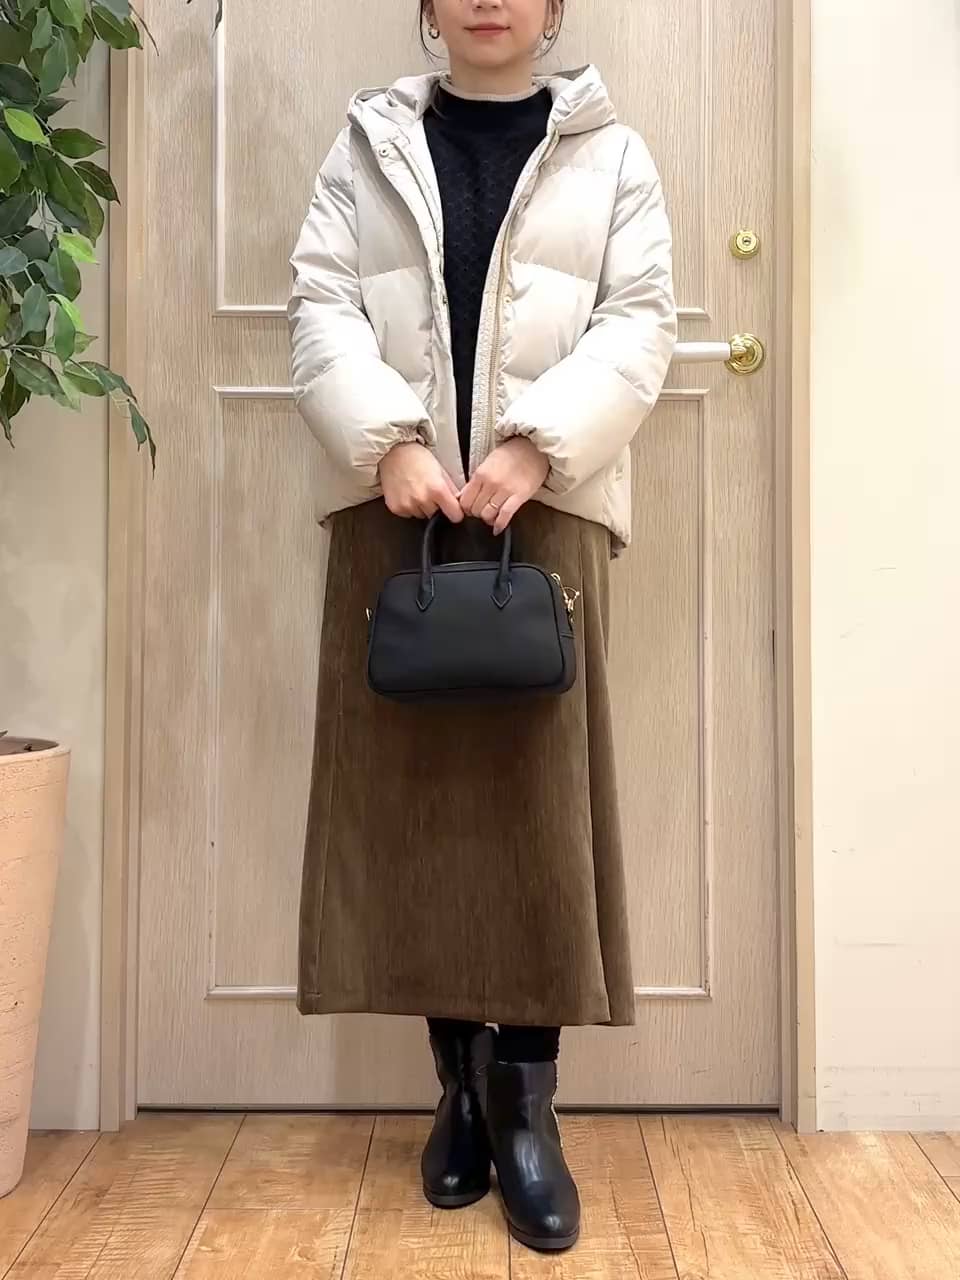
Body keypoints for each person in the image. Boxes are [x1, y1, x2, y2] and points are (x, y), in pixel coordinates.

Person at [287, 0, 676, 1254]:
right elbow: (321, 304)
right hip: (397, 514)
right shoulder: (367, 143)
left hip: (543, 515)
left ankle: (525, 1104)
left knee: (538, 812)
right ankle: (456, 1087)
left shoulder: (610, 150)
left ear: (555, 8)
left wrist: (535, 447)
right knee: (418, 812)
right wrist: (390, 442)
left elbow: (640, 321)